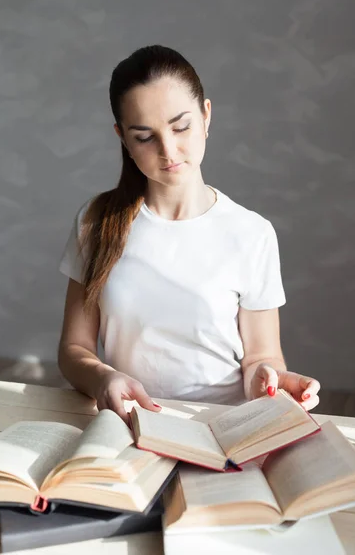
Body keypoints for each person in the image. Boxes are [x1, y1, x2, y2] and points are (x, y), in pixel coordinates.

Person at [58, 45, 320, 423]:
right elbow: (74, 348)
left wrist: (271, 379)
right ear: (123, 139)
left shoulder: (251, 233)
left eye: (181, 126)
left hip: (223, 429)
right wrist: (103, 378)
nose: (169, 150)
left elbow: (262, 357)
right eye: (144, 137)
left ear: (206, 116)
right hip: (132, 423)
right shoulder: (97, 222)